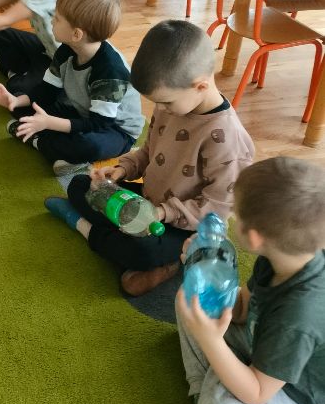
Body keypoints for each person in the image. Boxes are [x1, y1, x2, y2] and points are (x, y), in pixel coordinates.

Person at [45, 20, 255, 297]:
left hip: (187, 226)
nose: (161, 108)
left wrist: (163, 213)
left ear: (200, 86)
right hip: (147, 204)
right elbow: (149, 151)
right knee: (81, 185)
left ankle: (85, 226)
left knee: (141, 251)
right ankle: (119, 238)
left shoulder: (228, 141)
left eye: (166, 102)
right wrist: (122, 170)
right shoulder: (172, 105)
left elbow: (217, 208)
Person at [176, 157, 325, 404]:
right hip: (267, 350)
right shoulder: (281, 258)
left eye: (236, 211)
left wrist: (211, 341)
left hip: (304, 400)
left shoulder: (299, 315)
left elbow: (257, 393)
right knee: (188, 300)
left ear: (254, 237)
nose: (230, 215)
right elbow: (242, 309)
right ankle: (209, 386)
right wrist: (209, 271)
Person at [0, 0, 143, 174]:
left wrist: (48, 122)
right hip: (80, 111)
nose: (51, 20)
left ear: (76, 34)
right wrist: (15, 101)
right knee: (22, 106)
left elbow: (99, 123)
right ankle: (53, 144)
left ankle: (39, 141)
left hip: (115, 129)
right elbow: (46, 91)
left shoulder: (110, 71)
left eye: (57, 18)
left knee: (90, 145)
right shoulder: (67, 49)